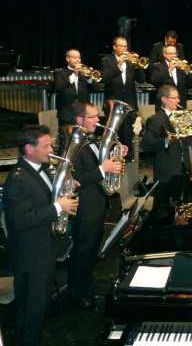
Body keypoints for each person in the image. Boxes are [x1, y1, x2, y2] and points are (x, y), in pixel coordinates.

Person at [4, 125, 78, 346]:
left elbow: (44, 197)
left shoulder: (40, 169)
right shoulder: (18, 179)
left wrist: (67, 188)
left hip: (43, 249)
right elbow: (20, 221)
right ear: (29, 148)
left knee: (37, 306)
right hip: (30, 256)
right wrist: (58, 207)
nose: (51, 149)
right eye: (46, 146)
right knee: (31, 308)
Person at [71, 101, 125, 310]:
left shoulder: (91, 139)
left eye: (97, 116)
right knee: (83, 252)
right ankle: (78, 294)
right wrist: (103, 169)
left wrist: (116, 154)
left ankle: (87, 287)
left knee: (92, 250)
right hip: (84, 207)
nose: (98, 120)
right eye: (93, 117)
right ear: (79, 120)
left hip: (98, 204)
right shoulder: (74, 142)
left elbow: (98, 162)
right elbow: (75, 178)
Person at [141, 85, 191, 222]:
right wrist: (166, 141)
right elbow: (146, 143)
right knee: (163, 211)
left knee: (181, 205)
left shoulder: (181, 116)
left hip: (182, 166)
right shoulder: (156, 119)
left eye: (178, 97)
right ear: (164, 99)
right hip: (166, 170)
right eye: (174, 98)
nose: (178, 101)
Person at [101, 35, 145, 159]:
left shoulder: (131, 62)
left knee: (128, 137)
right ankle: (113, 164)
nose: (124, 49)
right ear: (114, 47)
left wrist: (138, 65)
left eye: (125, 46)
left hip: (129, 106)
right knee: (115, 137)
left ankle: (129, 166)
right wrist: (118, 65)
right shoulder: (107, 60)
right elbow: (105, 79)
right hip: (113, 106)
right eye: (121, 46)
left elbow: (141, 80)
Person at [53, 49, 92, 146]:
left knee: (82, 143)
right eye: (74, 57)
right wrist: (74, 74)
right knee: (66, 143)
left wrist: (89, 78)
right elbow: (59, 88)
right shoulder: (60, 73)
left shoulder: (84, 74)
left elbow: (94, 88)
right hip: (67, 114)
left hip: (83, 114)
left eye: (79, 57)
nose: (78, 60)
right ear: (67, 59)